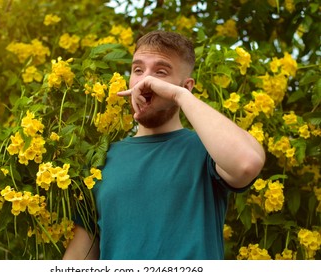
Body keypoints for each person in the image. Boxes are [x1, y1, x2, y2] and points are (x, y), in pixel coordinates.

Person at [63, 30, 265, 260]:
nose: (145, 81)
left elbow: (247, 163)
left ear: (186, 87)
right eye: (137, 70)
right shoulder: (101, 159)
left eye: (161, 72)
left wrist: (179, 97)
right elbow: (80, 255)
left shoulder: (206, 149)